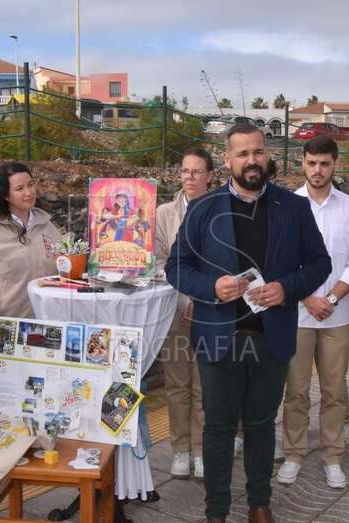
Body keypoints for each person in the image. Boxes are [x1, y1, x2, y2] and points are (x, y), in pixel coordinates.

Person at [166, 123, 331, 523]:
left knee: (261, 424)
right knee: (218, 428)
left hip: (269, 338)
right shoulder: (203, 208)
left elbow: (319, 263)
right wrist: (212, 286)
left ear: (267, 155)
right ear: (227, 160)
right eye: (242, 154)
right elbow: (176, 267)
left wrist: (286, 288)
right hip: (218, 337)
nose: (252, 160)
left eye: (258, 152)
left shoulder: (293, 207)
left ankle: (260, 503)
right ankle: (217, 511)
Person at [277, 136, 349, 488]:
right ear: (302, 162)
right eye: (312, 163)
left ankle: (332, 456)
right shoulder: (287, 206)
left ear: (335, 164)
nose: (317, 170)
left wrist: (330, 297)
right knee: (296, 391)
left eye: (324, 163)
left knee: (334, 390)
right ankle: (294, 453)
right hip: (298, 315)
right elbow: (280, 262)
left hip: (336, 316)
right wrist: (307, 298)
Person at [155, 146, 213, 480]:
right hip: (174, 309)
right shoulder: (164, 213)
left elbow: (224, 264)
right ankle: (180, 449)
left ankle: (202, 449)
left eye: (196, 171)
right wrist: (183, 300)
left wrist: (200, 300)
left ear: (209, 176)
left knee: (204, 386)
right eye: (184, 171)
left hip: (210, 311)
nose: (189, 177)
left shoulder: (222, 210)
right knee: (177, 385)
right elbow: (159, 261)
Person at [0, 162, 61, 318]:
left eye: (30, 185)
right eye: (19, 189)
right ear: (5, 195)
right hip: (9, 322)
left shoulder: (49, 227)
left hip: (49, 319)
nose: (28, 192)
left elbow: (64, 272)